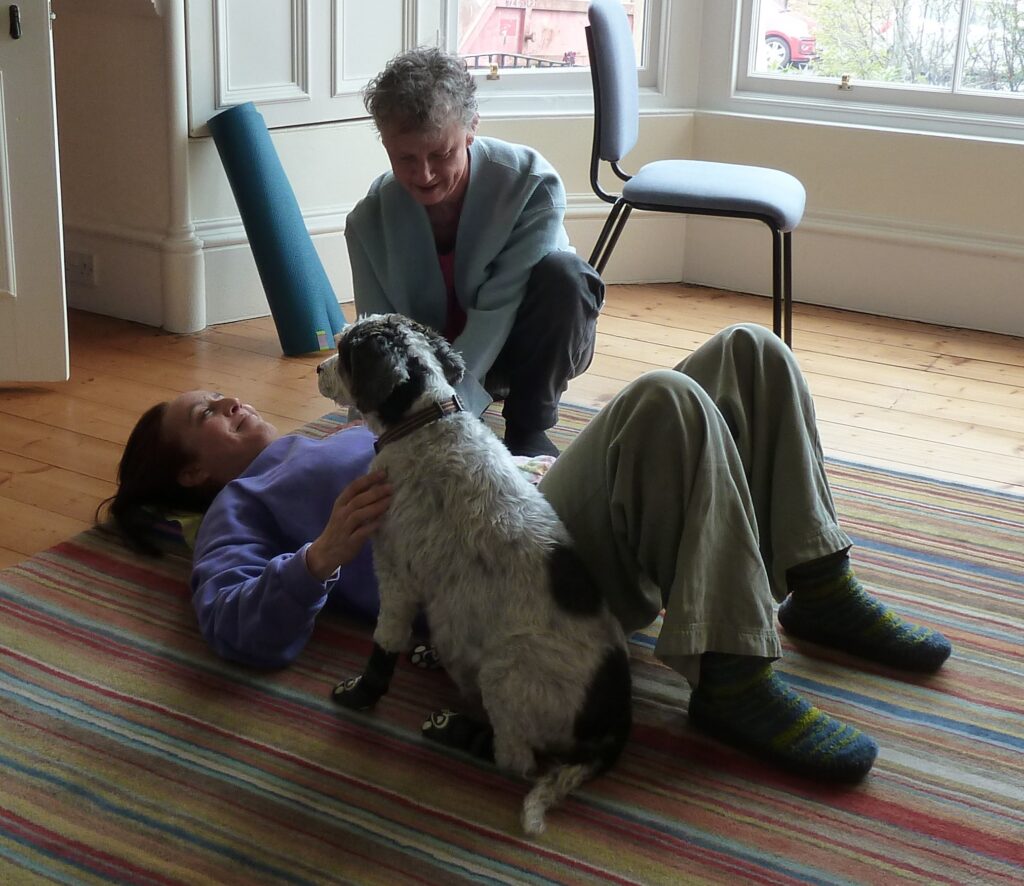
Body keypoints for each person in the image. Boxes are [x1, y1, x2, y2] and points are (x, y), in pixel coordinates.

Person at [101, 324, 952, 784]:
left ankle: (819, 578)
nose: (231, 398)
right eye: (206, 411)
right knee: (667, 400)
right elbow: (231, 623)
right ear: (190, 471)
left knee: (747, 349)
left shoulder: (338, 426)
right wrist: (321, 555)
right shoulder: (238, 510)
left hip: (529, 504)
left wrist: (517, 460)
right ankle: (733, 676)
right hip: (516, 580)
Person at [345, 47, 605, 458]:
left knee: (566, 275)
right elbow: (379, 334)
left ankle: (528, 425)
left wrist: (447, 409)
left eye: (441, 154)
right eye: (405, 158)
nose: (424, 175)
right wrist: (373, 424)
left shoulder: (532, 184)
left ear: (471, 130)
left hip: (528, 348)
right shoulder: (367, 222)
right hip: (434, 368)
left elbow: (500, 309)